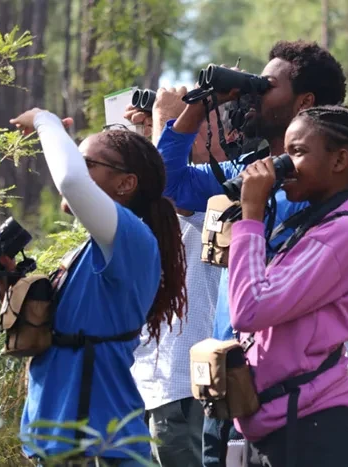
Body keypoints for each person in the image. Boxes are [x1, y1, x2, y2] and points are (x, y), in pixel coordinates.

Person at [154, 40, 347, 467]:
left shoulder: (324, 188)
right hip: (226, 381)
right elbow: (167, 182)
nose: (254, 93)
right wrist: (199, 105)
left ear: (305, 101)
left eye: (267, 85)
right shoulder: (247, 171)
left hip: (289, 391)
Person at [8, 108, 187, 466]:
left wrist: (46, 120)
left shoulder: (132, 238)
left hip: (100, 445)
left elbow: (71, 182)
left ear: (125, 183)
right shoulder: (91, 249)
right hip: (66, 441)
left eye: (86, 161)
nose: (76, 167)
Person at [228, 104, 348, 467]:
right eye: (284, 152)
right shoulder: (317, 223)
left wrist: (251, 214)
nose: (284, 164)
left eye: (297, 152)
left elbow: (249, 308)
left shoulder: (343, 232)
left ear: (340, 160)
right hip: (290, 428)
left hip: (316, 434)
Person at [126, 92, 232, 467]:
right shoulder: (165, 206)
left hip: (185, 384)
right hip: (149, 383)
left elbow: (168, 190)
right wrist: (147, 132)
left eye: (199, 118)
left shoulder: (217, 198)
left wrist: (170, 118)